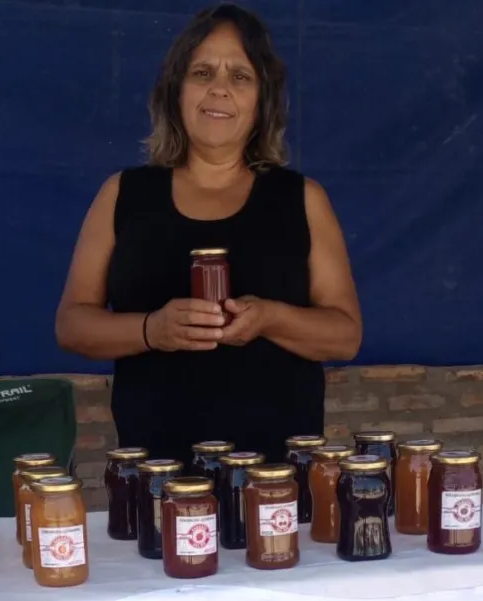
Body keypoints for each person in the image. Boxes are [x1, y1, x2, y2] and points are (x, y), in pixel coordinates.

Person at [55, 3, 361, 466]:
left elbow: (345, 336)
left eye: (240, 76)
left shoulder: (302, 198)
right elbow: (72, 324)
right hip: (157, 472)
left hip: (276, 478)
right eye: (202, 72)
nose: (219, 88)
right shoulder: (124, 194)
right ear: (175, 91)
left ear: (262, 102)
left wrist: (270, 318)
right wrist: (150, 329)